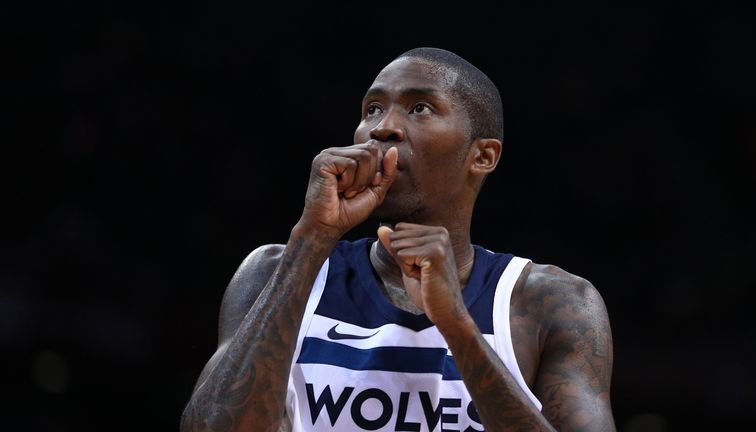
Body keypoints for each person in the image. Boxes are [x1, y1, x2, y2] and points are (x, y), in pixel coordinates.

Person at [180, 47, 615, 432]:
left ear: (483, 155)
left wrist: (456, 325)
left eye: (419, 108)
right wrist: (312, 238)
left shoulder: (550, 303)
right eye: (372, 109)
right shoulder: (274, 272)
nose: (382, 128)